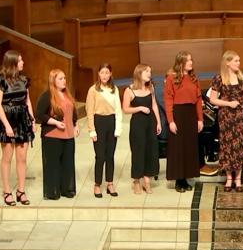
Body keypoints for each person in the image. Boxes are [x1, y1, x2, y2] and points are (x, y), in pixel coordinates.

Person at [0, 50, 35, 206]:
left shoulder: (24, 80)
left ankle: (21, 191)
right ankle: (7, 191)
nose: (23, 62)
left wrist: (32, 119)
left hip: (22, 119)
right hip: (8, 119)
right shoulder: (1, 80)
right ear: (12, 63)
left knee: (22, 158)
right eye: (20, 60)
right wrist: (7, 126)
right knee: (7, 158)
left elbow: (28, 101)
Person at [209, 51, 243, 192]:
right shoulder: (219, 79)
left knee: (240, 145)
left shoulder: (242, 78)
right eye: (235, 60)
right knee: (228, 146)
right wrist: (228, 104)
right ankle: (229, 177)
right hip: (226, 117)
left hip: (241, 117)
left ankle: (238, 178)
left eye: (239, 60)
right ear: (227, 62)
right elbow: (212, 99)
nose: (238, 63)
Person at [36, 69, 79, 200]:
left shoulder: (67, 94)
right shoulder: (47, 95)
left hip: (68, 134)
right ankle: (53, 191)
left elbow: (72, 112)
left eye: (64, 78)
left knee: (67, 162)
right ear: (53, 81)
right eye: (60, 79)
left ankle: (66, 189)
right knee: (53, 164)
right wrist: (55, 122)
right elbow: (40, 114)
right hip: (53, 134)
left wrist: (75, 125)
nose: (64, 81)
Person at [165, 51, 204, 192]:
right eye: (188, 60)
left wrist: (200, 119)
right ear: (180, 62)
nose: (191, 62)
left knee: (189, 147)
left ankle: (187, 178)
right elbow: (168, 100)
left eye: (191, 60)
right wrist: (171, 121)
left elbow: (198, 100)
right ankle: (179, 180)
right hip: (178, 114)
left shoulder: (194, 78)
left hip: (190, 114)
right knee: (178, 148)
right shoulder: (171, 78)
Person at [122, 64, 161, 194]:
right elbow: (125, 109)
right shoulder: (130, 90)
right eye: (146, 71)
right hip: (138, 125)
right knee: (139, 151)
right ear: (139, 73)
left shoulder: (151, 87)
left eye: (150, 71)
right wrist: (139, 108)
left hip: (151, 123)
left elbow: (154, 105)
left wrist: (158, 123)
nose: (149, 73)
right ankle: (137, 181)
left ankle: (147, 180)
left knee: (151, 151)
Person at [85, 63, 123, 198]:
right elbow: (89, 111)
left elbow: (118, 110)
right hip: (99, 122)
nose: (105, 75)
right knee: (100, 156)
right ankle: (97, 184)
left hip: (111, 123)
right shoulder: (93, 90)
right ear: (98, 74)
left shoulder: (115, 89)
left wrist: (118, 128)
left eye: (107, 73)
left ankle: (110, 183)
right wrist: (92, 130)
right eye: (102, 73)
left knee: (110, 156)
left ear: (111, 74)